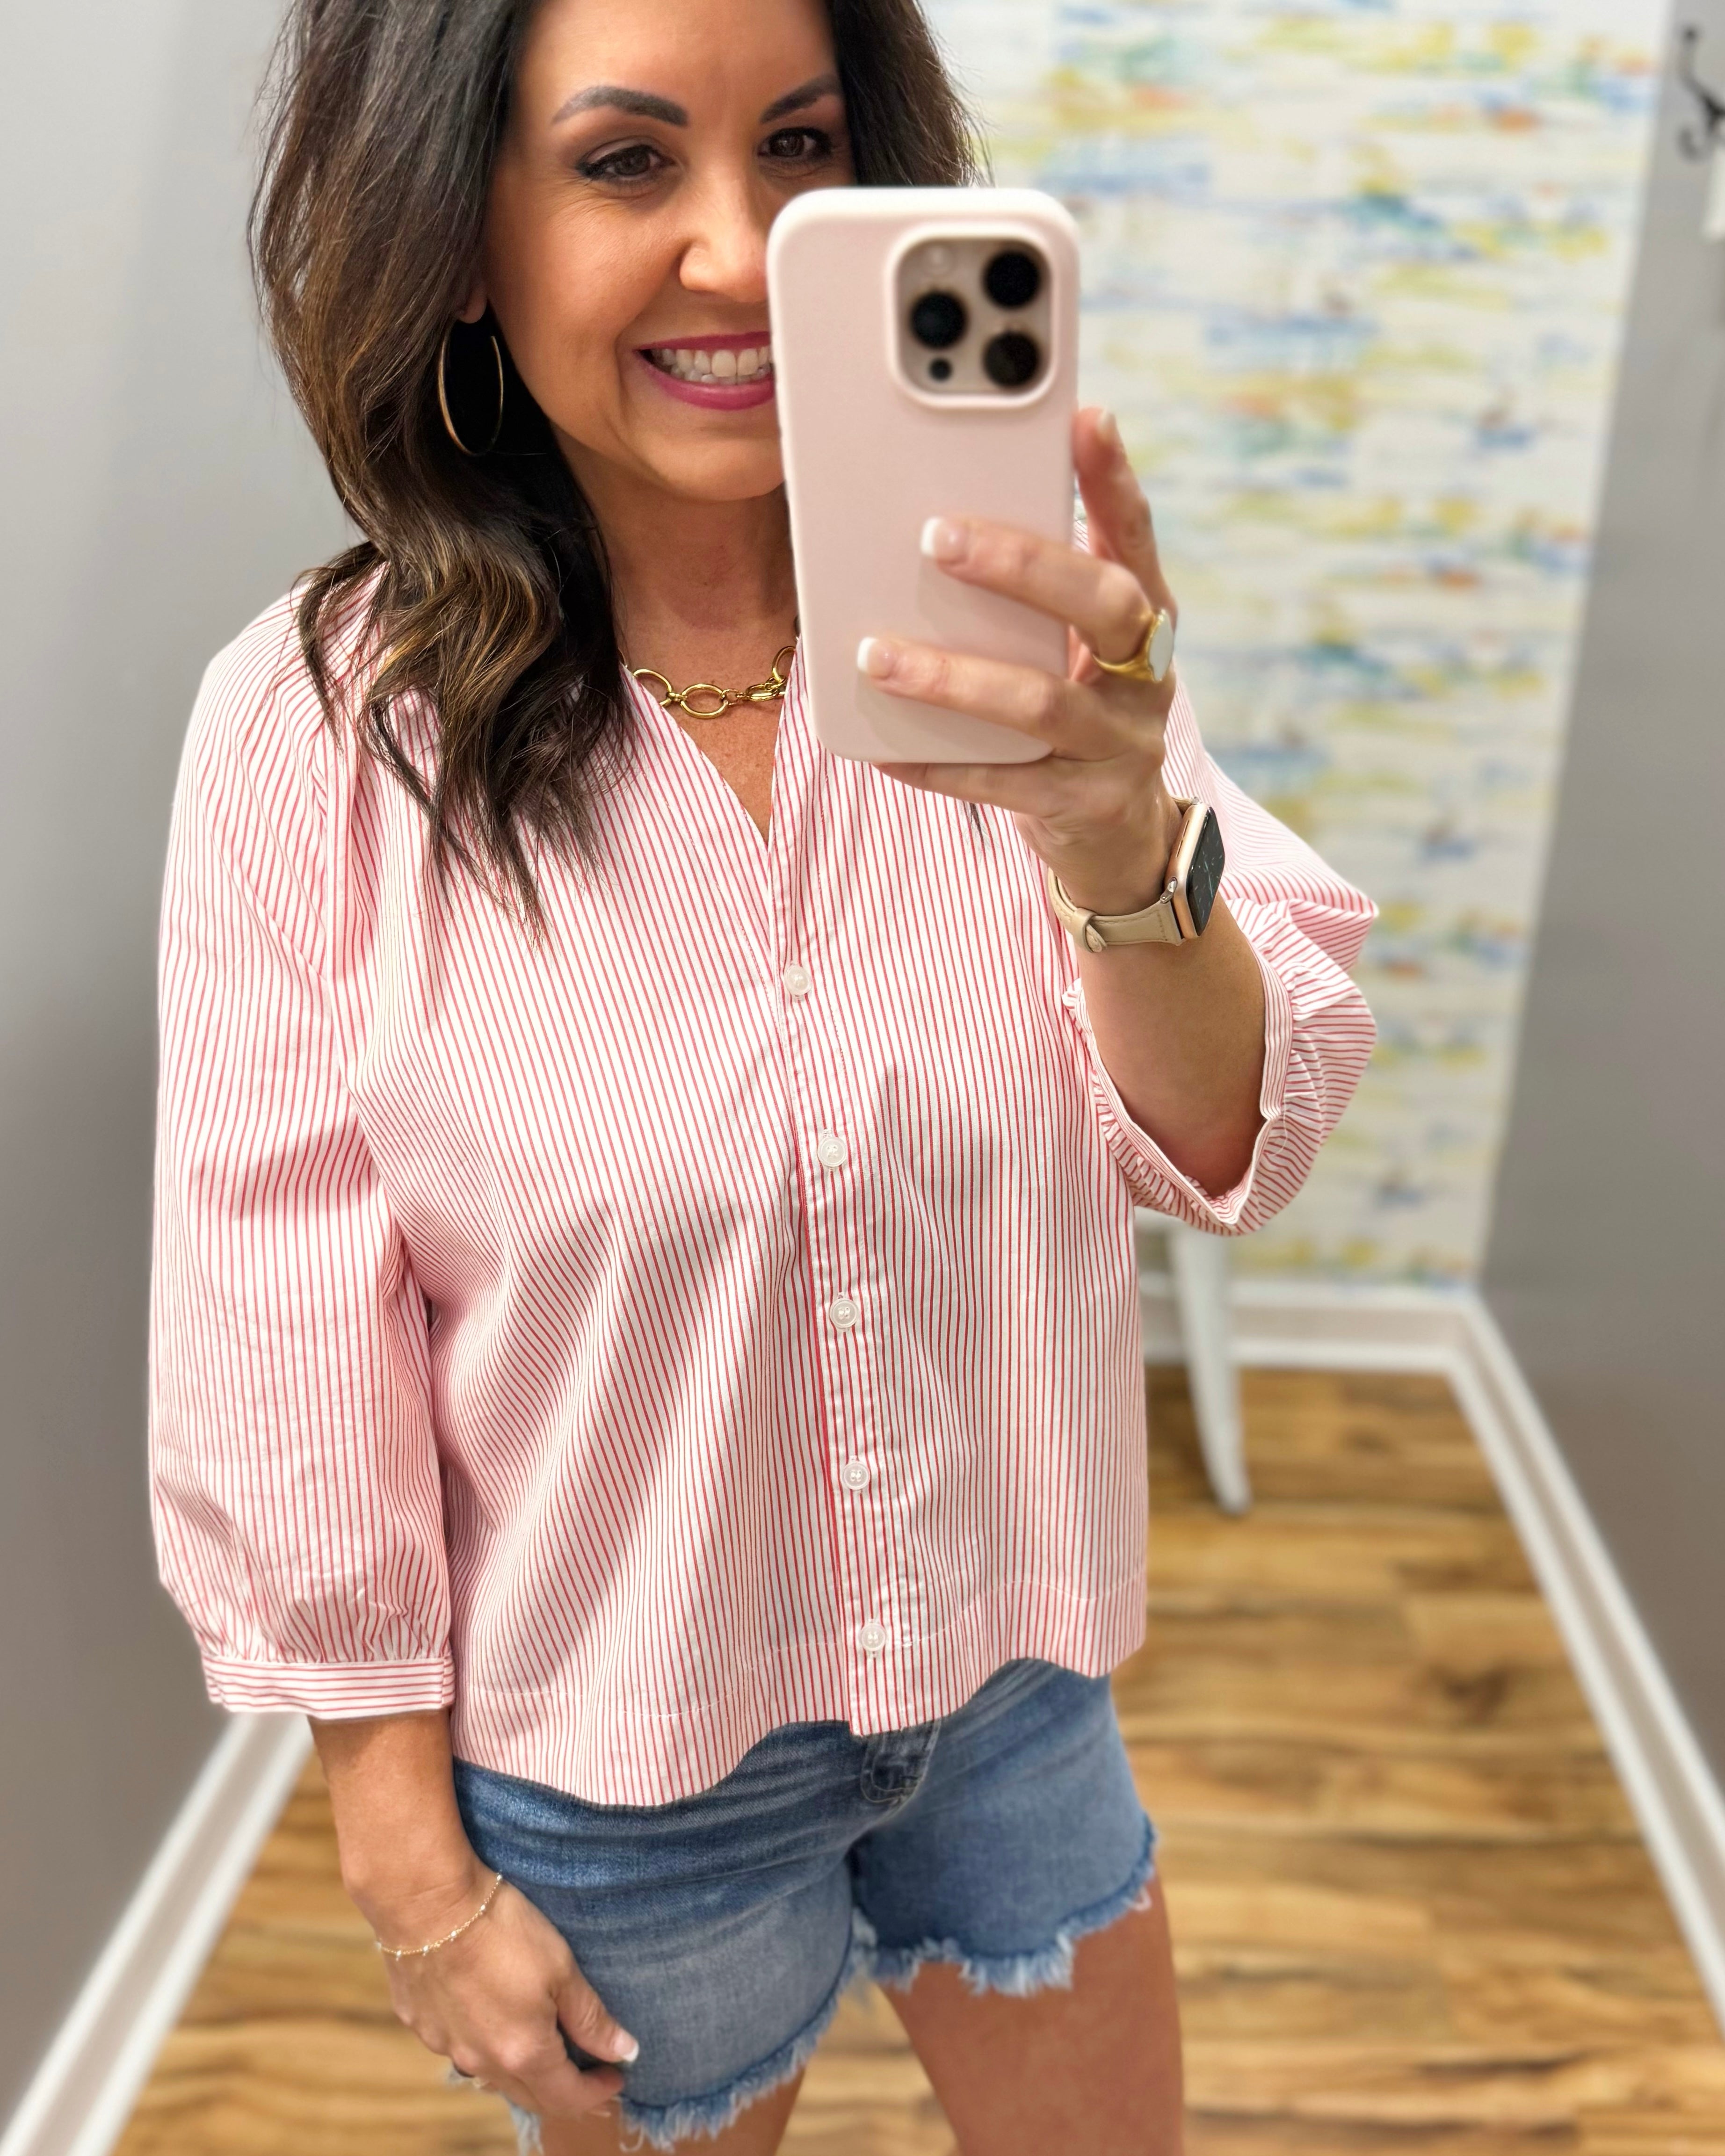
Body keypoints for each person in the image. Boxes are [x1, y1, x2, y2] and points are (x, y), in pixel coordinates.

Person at [148, 0, 1375, 2149]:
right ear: (462, 233)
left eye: (804, 148)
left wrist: (1109, 835)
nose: (741, 248)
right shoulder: (315, 741)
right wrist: (408, 1857)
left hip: (1016, 1677)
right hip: (623, 1758)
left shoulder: (1022, 647)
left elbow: (1222, 1144)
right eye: (629, 164)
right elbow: (281, 1331)